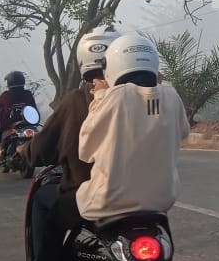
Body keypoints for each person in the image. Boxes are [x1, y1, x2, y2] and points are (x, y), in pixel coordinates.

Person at [20, 25, 120, 261]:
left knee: (45, 203)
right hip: (147, 196)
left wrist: (24, 153)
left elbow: (45, 146)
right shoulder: (147, 99)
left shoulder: (79, 100)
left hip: (91, 194)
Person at [75, 33, 190, 221]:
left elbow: (85, 151)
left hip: (107, 205)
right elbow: (183, 132)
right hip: (162, 202)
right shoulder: (171, 95)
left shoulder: (112, 97)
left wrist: (100, 97)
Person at [0, 71, 38, 160]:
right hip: (27, 121)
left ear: (9, 83)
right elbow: (33, 106)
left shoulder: (6, 95)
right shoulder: (27, 94)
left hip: (10, 122)